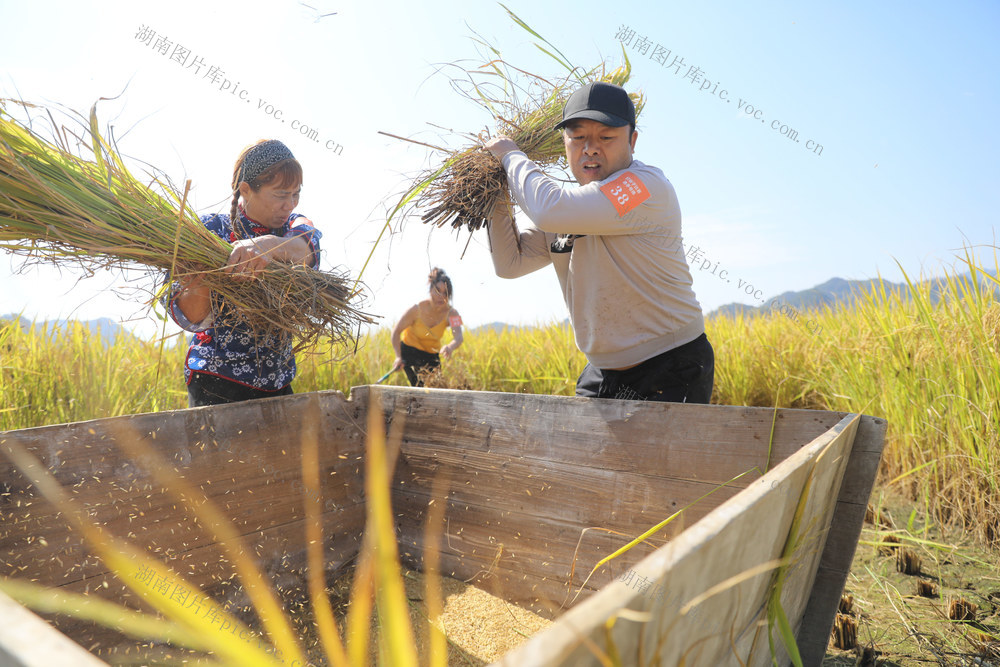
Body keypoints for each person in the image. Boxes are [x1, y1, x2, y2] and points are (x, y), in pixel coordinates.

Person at [484, 81, 714, 403]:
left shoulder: (644, 187)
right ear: (564, 143)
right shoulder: (571, 217)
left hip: (670, 364)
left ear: (632, 141)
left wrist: (510, 155)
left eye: (606, 137)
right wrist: (493, 187)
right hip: (602, 372)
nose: (590, 148)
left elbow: (549, 209)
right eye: (577, 138)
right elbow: (510, 263)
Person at [165, 139, 322, 407]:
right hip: (216, 382)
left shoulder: (294, 228)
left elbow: (306, 250)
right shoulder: (208, 231)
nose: (290, 204)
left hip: (278, 382)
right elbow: (191, 316)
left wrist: (265, 246)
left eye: (295, 194)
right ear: (246, 190)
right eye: (281, 195)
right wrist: (205, 270)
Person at [390, 268, 464, 386]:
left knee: (438, 389)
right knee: (420, 389)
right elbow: (396, 331)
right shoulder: (416, 309)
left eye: (445, 293)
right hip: (409, 353)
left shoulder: (452, 313)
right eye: (438, 291)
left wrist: (450, 347)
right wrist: (398, 357)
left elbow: (459, 337)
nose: (441, 296)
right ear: (430, 290)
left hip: (431, 356)